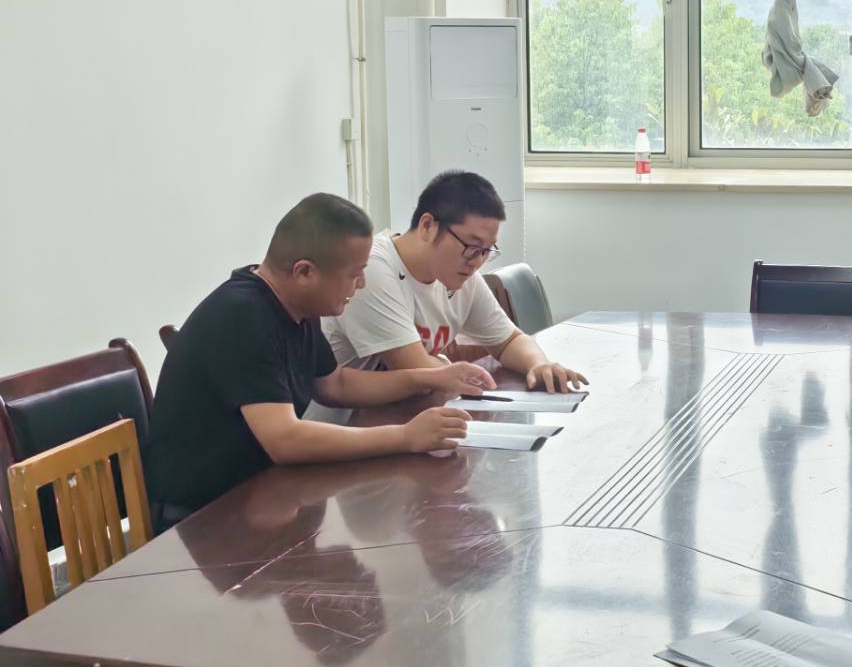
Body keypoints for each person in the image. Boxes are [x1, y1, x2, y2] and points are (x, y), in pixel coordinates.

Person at [146, 193, 486, 522]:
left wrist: (432, 376)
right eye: (354, 274)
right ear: (305, 272)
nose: (361, 284)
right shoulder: (243, 316)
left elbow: (336, 384)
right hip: (200, 516)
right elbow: (285, 440)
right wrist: (405, 436)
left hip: (264, 493)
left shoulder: (295, 306)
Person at [322, 169, 586, 395]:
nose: (477, 261)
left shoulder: (458, 274)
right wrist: (445, 365)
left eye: (486, 250)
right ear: (428, 226)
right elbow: (417, 370)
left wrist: (538, 364)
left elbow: (508, 340)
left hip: (405, 416)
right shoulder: (372, 269)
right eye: (471, 246)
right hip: (347, 426)